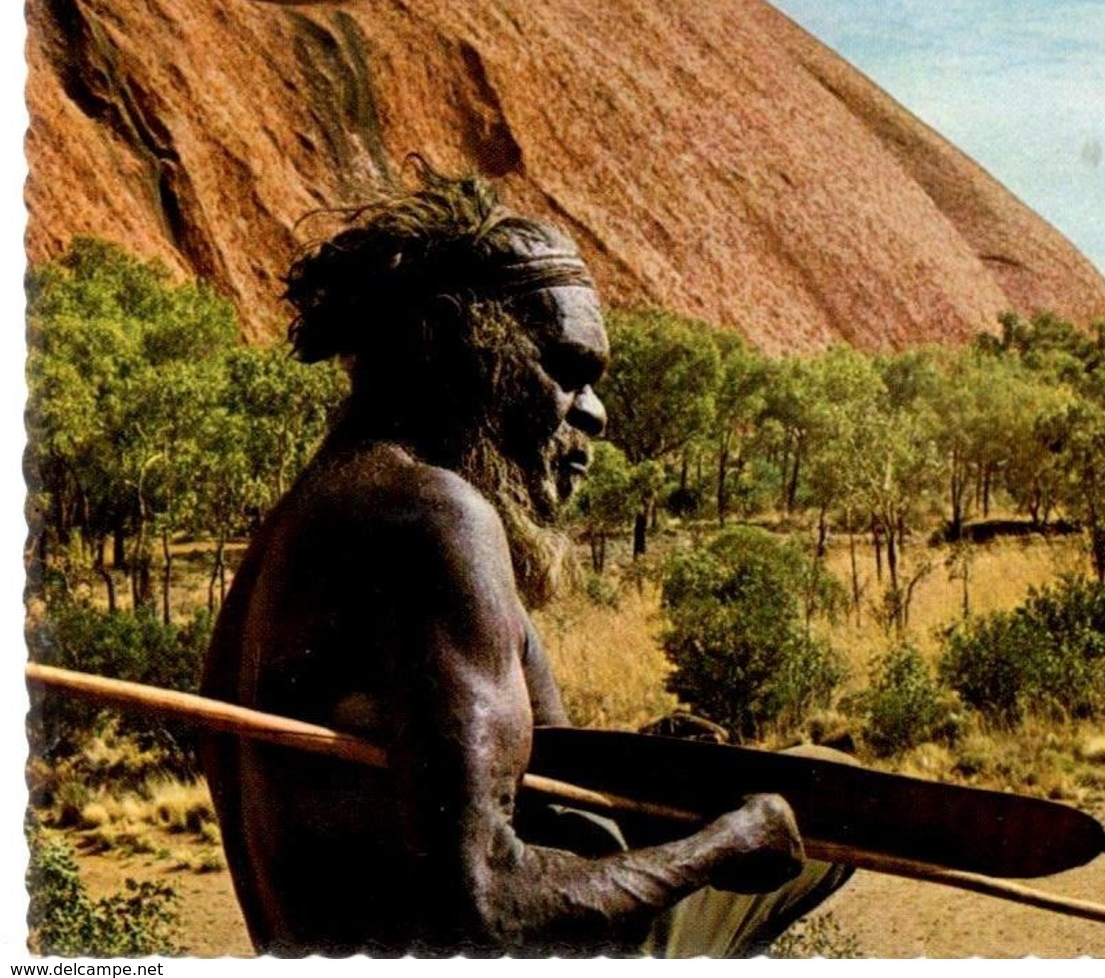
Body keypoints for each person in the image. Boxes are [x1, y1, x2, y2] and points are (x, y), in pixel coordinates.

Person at [199, 165, 849, 957]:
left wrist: (642, 770)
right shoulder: (433, 515)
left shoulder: (299, 523)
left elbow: (473, 806)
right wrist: (728, 843)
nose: (595, 414)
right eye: (566, 370)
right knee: (820, 796)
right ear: (456, 345)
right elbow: (483, 908)